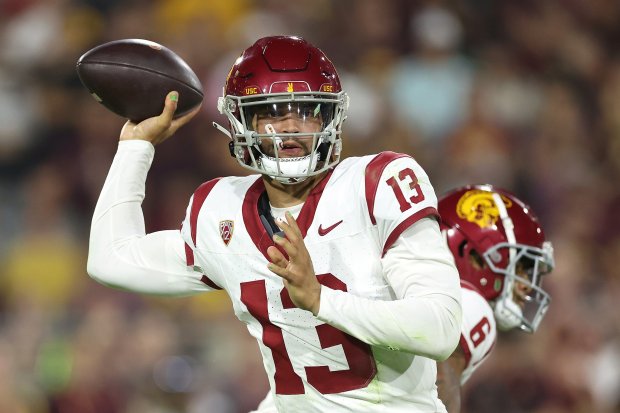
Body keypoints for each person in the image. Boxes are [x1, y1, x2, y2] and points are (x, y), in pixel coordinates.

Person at [87, 35, 462, 412]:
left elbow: (440, 328)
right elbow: (110, 259)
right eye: (271, 113)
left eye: (305, 110)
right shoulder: (221, 208)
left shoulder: (377, 184)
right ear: (241, 122)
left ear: (331, 117)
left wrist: (321, 300)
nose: (289, 127)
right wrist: (135, 147)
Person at [434, 184, 554, 412]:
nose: (525, 286)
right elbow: (433, 389)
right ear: (473, 257)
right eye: (519, 267)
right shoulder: (468, 306)